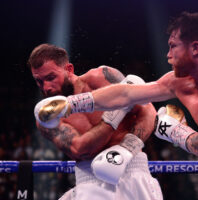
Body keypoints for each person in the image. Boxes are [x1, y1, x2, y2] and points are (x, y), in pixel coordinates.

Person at [34, 11, 198, 199]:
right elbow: (126, 94)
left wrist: (172, 130)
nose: (167, 54)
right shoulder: (178, 82)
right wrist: (71, 105)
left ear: (194, 48)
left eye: (172, 46)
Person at [28, 44, 163, 200]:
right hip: (90, 180)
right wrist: (116, 114)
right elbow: (79, 149)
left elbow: (148, 112)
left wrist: (127, 149)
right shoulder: (47, 117)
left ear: (69, 69)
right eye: (39, 81)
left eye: (51, 78)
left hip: (134, 169)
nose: (46, 88)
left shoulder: (102, 77)